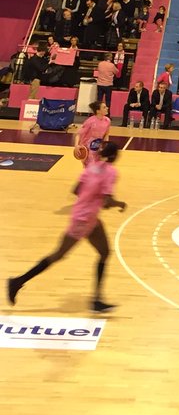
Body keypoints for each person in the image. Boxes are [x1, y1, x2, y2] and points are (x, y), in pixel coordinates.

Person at [7, 141, 126, 313]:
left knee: (105, 252)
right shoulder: (111, 173)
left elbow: (76, 190)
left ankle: (97, 300)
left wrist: (91, 198)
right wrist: (119, 203)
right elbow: (107, 202)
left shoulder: (90, 168)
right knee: (58, 254)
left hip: (87, 216)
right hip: (84, 220)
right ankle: (17, 281)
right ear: (115, 156)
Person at [75, 99, 111, 169]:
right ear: (98, 111)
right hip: (87, 149)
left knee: (99, 170)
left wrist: (105, 145)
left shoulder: (107, 121)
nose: (107, 108)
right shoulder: (90, 121)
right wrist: (76, 145)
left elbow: (106, 134)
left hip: (98, 148)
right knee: (90, 170)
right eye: (104, 107)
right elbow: (78, 134)